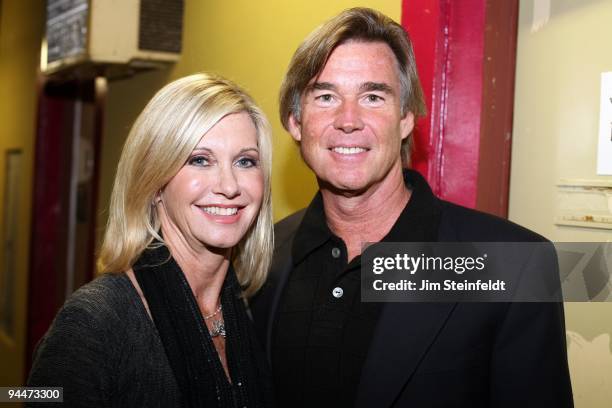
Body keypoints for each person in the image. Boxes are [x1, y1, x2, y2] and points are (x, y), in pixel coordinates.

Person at [249, 7, 573, 408]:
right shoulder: (261, 257)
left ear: (405, 118)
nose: (348, 120)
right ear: (296, 123)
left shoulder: (511, 266)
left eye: (372, 96)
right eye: (326, 96)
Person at [28, 73, 275, 407]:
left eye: (245, 161)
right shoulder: (95, 322)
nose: (229, 186)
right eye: (199, 160)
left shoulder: (250, 308)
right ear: (156, 182)